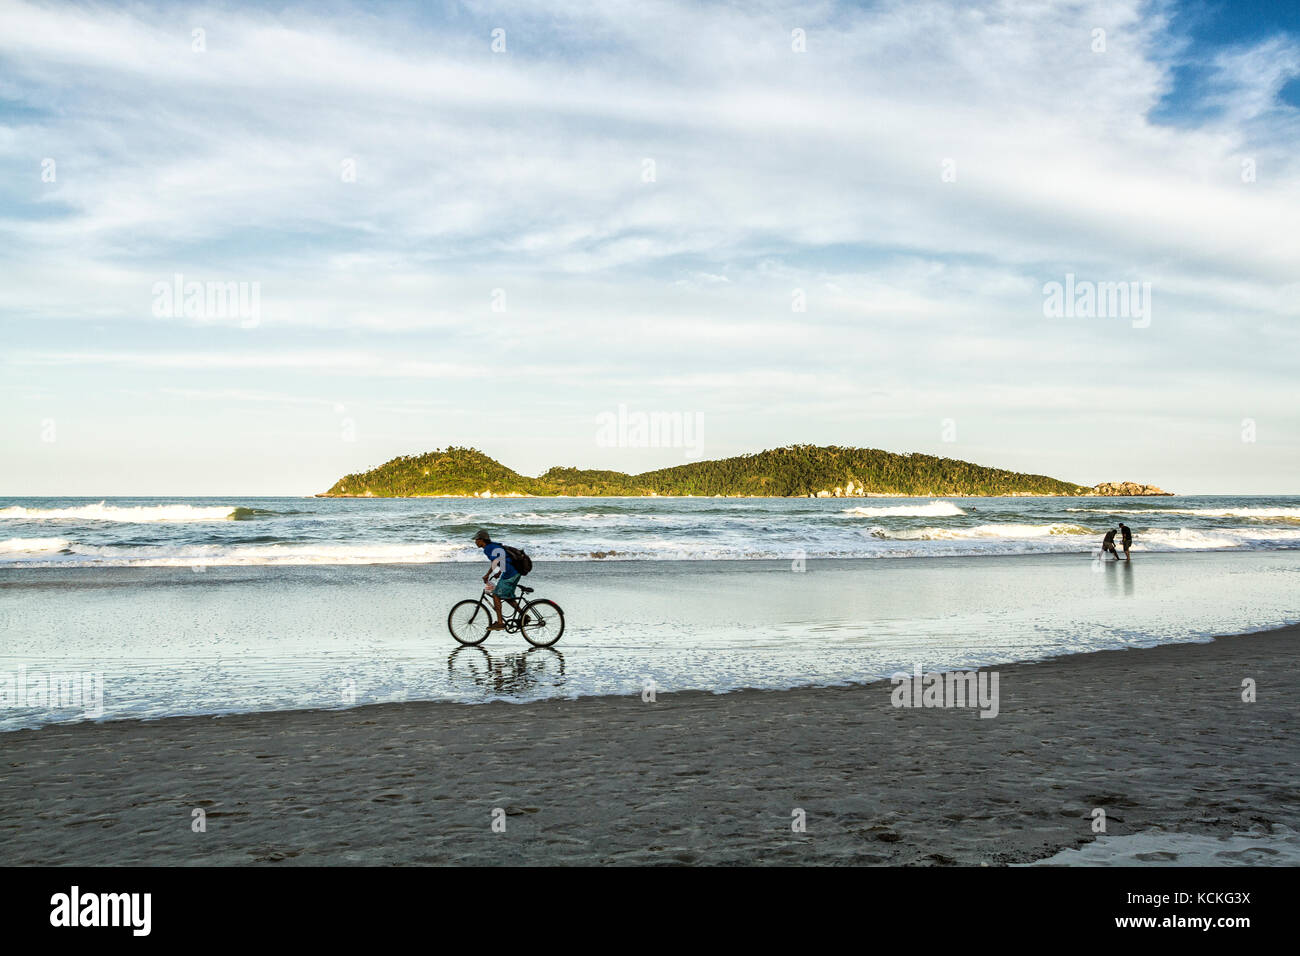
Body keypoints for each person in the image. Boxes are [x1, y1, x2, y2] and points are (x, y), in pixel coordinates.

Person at [474, 529, 522, 629]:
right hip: (513, 572)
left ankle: (500, 622)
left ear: (482, 540)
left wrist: (487, 575)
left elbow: (496, 561)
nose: (475, 541)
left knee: (496, 595)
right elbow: (502, 558)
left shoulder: (488, 548)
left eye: (476, 539)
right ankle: (524, 615)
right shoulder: (494, 546)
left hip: (510, 573)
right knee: (507, 596)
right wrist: (500, 572)